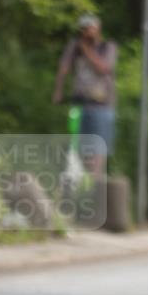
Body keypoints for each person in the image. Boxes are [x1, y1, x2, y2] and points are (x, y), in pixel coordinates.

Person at [52, 14, 118, 176]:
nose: (86, 32)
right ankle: (81, 183)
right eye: (83, 29)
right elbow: (64, 68)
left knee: (98, 152)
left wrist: (86, 50)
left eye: (89, 28)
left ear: (97, 29)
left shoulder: (107, 46)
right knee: (79, 149)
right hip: (79, 105)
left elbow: (103, 69)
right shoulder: (75, 47)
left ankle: (97, 184)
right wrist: (58, 91)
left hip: (102, 106)